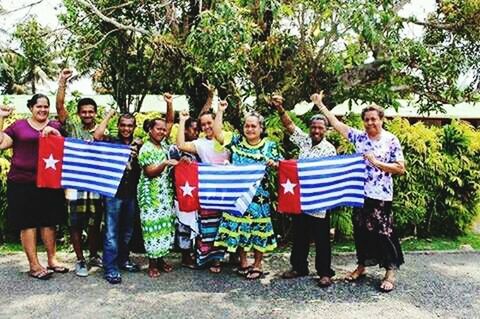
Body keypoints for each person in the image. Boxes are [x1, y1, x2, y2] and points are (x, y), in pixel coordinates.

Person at [312, 91, 406, 292]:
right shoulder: (359, 137)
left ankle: (390, 271)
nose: (370, 123)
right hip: (358, 193)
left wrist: (377, 162)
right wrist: (320, 105)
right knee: (361, 233)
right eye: (366, 119)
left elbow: (400, 168)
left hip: (381, 195)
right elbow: (336, 124)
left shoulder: (391, 140)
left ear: (381, 119)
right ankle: (362, 266)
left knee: (384, 234)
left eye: (374, 119)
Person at [270, 95, 337, 287]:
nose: (316, 130)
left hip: (319, 201)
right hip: (301, 198)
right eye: (313, 127)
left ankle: (324, 272)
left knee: (322, 238)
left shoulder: (329, 150)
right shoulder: (305, 141)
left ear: (325, 130)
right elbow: (290, 125)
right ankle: (299, 267)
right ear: (310, 129)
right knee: (300, 236)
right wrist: (281, 108)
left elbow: (329, 175)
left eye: (320, 128)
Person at [0, 95, 68, 280]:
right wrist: (1, 117)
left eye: (46, 107)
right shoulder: (19, 126)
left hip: (48, 180)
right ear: (31, 107)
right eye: (39, 106)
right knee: (27, 222)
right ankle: (34, 265)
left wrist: (55, 134)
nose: (43, 110)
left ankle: (52, 260)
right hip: (22, 181)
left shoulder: (55, 126)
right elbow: (1, 143)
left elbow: (66, 148)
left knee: (49, 221)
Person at [212, 102, 280, 280]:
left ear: (261, 128)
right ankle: (243, 262)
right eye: (247, 126)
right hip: (238, 196)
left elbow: (282, 165)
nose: (249, 129)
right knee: (240, 228)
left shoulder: (269, 146)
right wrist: (220, 110)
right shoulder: (236, 141)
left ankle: (257, 264)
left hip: (259, 198)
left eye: (253, 126)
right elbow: (217, 133)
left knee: (259, 229)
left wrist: (275, 164)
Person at [56, 68, 104, 276]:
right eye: (83, 112)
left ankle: (93, 254)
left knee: (95, 223)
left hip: (95, 184)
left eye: (90, 111)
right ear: (79, 114)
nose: (87, 114)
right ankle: (80, 260)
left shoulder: (104, 131)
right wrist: (62, 82)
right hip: (74, 183)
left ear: (95, 113)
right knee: (75, 223)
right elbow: (59, 106)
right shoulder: (73, 127)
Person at [176, 106, 230, 273]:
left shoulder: (226, 139)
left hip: (226, 191)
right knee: (207, 227)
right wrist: (183, 120)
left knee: (223, 225)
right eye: (203, 124)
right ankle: (205, 258)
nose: (207, 127)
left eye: (210, 123)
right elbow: (181, 145)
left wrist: (220, 110)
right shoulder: (200, 144)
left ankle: (219, 260)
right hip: (207, 191)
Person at [93, 111, 142, 284]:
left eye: (130, 125)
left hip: (131, 193)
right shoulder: (111, 141)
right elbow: (97, 136)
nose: (126, 128)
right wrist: (108, 115)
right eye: (123, 125)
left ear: (134, 127)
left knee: (127, 231)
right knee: (111, 232)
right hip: (113, 193)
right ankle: (111, 267)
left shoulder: (139, 143)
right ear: (118, 126)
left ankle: (123, 259)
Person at [137, 94, 177, 278]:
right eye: (158, 129)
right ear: (150, 130)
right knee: (152, 228)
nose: (162, 132)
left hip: (164, 196)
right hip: (151, 197)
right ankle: (152, 264)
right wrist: (165, 164)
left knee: (164, 227)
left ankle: (160, 260)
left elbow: (169, 121)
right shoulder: (146, 148)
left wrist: (170, 103)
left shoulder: (163, 146)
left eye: (163, 130)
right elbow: (149, 172)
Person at [169, 117, 200, 269]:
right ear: (185, 130)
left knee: (197, 225)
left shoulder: (199, 146)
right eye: (194, 129)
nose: (197, 132)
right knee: (183, 226)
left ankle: (198, 253)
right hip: (182, 193)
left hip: (197, 193)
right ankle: (185, 256)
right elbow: (171, 169)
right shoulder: (175, 149)